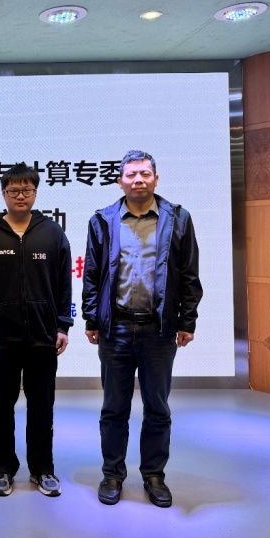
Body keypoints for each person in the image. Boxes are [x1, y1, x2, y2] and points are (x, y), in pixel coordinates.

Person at [82, 149, 202, 508]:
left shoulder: (177, 219)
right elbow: (92, 275)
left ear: (156, 179)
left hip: (158, 330)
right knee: (113, 408)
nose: (138, 180)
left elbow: (189, 274)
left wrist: (187, 319)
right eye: (131, 174)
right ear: (120, 180)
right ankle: (112, 474)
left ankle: (154, 475)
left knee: (157, 407)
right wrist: (92, 318)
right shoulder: (102, 220)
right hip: (116, 329)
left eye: (145, 174)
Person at [0, 163, 72, 498]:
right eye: (13, 190)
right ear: (3, 194)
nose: (20, 196)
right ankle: (3, 469)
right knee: (0, 406)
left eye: (27, 190)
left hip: (43, 336)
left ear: (35, 192)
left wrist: (62, 325)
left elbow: (64, 283)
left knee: (42, 406)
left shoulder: (52, 233)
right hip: (1, 338)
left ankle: (42, 469)